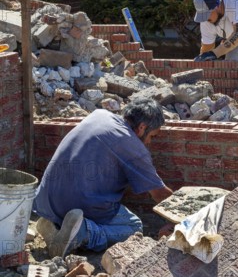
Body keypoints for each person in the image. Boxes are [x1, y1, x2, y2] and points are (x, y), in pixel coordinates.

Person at [34, 98, 173, 258]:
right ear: (142, 127)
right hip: (77, 204)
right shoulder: (133, 147)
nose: (149, 142)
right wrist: (186, 219)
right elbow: (159, 194)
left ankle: (55, 223)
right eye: (152, 136)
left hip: (48, 199)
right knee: (134, 227)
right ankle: (82, 233)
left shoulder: (99, 115)